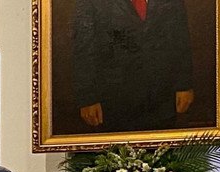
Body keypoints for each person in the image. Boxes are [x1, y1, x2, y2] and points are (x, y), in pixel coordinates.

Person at [72, 0, 194, 132]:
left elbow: (180, 36)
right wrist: (87, 98)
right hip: (114, 98)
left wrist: (184, 85)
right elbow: (84, 45)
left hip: (162, 95)